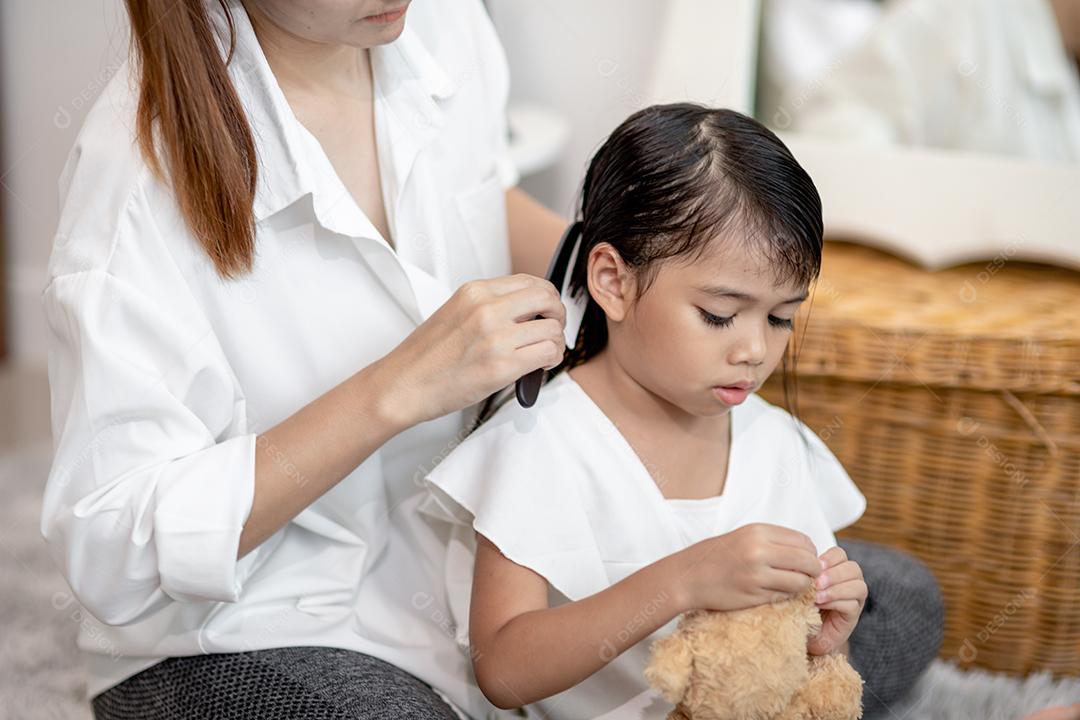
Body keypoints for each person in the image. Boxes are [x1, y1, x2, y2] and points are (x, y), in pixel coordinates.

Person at [39, 0, 569, 718]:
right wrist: (393, 390)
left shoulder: (440, 23)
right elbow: (114, 550)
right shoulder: (133, 188)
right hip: (244, 629)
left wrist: (639, 271)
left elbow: (479, 188)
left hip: (445, 565)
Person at [420, 104, 942, 719]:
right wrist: (682, 581)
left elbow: (775, 655)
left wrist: (827, 635)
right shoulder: (542, 442)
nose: (754, 350)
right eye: (719, 315)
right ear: (613, 282)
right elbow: (503, 670)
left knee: (906, 595)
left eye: (780, 318)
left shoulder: (772, 441)